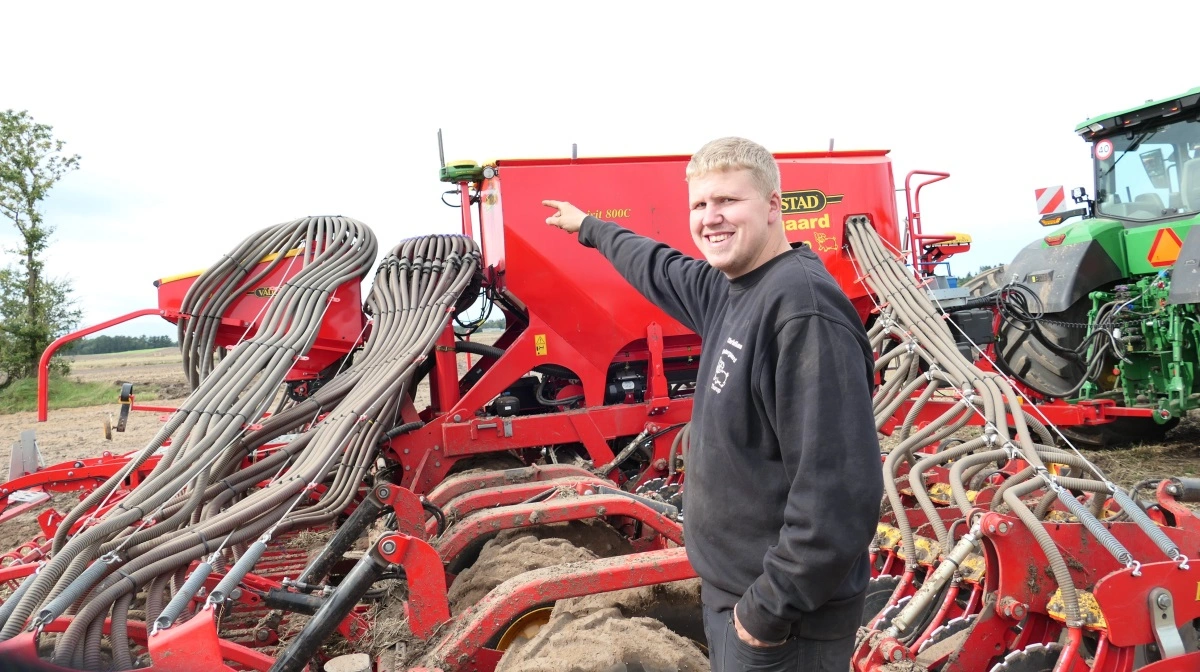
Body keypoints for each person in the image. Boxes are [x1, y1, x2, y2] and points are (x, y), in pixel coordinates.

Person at [542, 137, 883, 671]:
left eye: (728, 202)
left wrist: (765, 614)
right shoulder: (732, 289)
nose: (711, 218)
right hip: (738, 596)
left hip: (784, 623)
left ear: (773, 206)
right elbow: (657, 266)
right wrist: (590, 228)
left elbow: (837, 497)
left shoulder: (802, 313)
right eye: (700, 206)